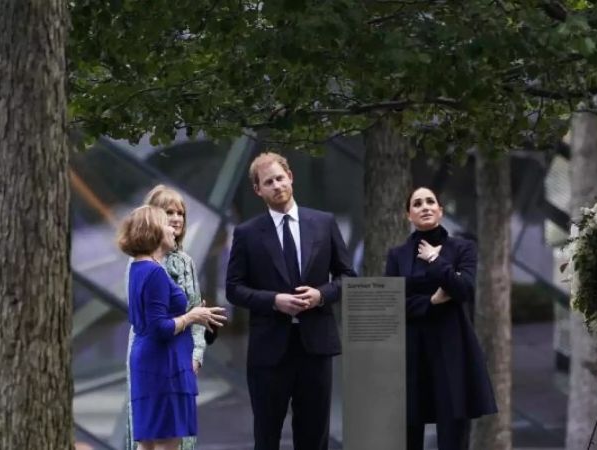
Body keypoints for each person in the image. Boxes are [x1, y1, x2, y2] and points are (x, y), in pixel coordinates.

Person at [226, 152, 355, 450]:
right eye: (268, 182)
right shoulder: (246, 234)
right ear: (258, 190)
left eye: (280, 178)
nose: (276, 185)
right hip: (269, 351)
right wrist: (274, 300)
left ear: (291, 177)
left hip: (316, 346)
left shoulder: (323, 223)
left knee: (314, 437)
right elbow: (234, 289)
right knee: (267, 436)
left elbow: (348, 276)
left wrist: (321, 295)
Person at [384, 187, 497, 450]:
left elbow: (465, 289)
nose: (425, 206)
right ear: (408, 215)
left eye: (430, 202)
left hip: (451, 350)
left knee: (452, 434)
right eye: (417, 203)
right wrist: (431, 302)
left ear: (441, 210)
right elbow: (392, 303)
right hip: (411, 352)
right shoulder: (397, 255)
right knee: (408, 430)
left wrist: (436, 260)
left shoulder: (462, 248)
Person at [118, 206, 227, 450]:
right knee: (168, 441)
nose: (173, 229)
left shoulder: (138, 267)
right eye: (166, 224)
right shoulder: (154, 272)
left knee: (147, 443)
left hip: (150, 361)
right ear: (153, 231)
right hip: (163, 365)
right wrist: (192, 316)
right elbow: (160, 328)